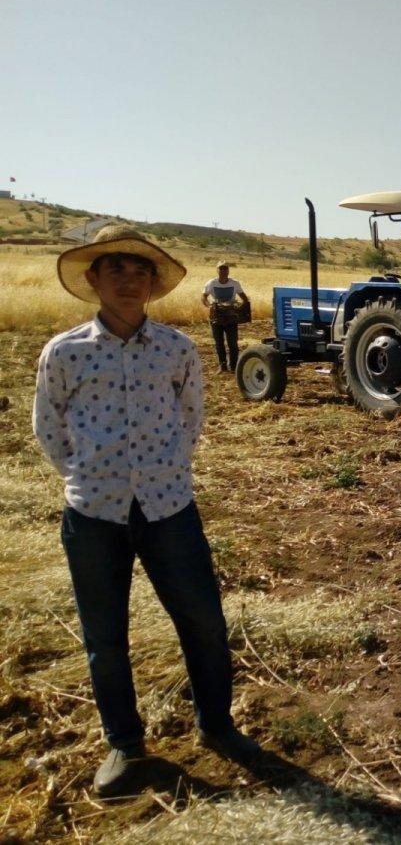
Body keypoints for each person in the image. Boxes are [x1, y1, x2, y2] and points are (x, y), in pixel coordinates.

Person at [33, 225, 259, 797]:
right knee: (104, 637)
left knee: (204, 622)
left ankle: (218, 726)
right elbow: (49, 427)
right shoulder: (64, 352)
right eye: (116, 270)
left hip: (169, 509)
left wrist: (165, 470)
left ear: (154, 285)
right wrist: (89, 477)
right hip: (93, 517)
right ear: (94, 280)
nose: (129, 281)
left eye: (140, 273)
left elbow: (191, 419)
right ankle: (125, 746)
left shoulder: (177, 349)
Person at [201, 261, 249, 372]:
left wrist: (239, 308)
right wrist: (209, 307)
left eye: (225, 269)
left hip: (231, 317)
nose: (223, 271)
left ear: (228, 270)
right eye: (221, 269)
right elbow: (203, 297)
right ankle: (222, 366)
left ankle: (234, 366)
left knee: (233, 343)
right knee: (219, 342)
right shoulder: (211, 283)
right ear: (217, 270)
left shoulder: (235, 283)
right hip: (216, 316)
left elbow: (244, 299)